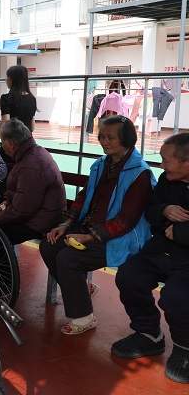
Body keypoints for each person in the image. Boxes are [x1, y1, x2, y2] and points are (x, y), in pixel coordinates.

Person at [41, 116, 154, 336]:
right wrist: (65, 224)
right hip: (91, 229)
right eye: (101, 136)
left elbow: (126, 221)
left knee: (68, 258)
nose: (104, 142)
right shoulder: (101, 164)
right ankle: (82, 287)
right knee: (49, 245)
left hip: (120, 237)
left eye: (110, 137)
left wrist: (89, 237)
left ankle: (84, 316)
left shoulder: (140, 173)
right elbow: (83, 197)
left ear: (126, 139)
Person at [111, 133, 189, 383]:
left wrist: (181, 232)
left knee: (176, 297)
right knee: (129, 275)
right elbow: (151, 211)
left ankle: (185, 348)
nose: (161, 165)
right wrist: (165, 210)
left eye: (167, 160)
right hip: (162, 249)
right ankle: (149, 333)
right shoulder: (167, 180)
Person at [0, 118, 65, 245]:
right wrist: (6, 201)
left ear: (11, 143)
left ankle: (0, 260)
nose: (2, 146)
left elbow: (22, 211)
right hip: (37, 214)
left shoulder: (30, 165)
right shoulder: (32, 152)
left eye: (2, 142)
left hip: (40, 221)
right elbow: (21, 192)